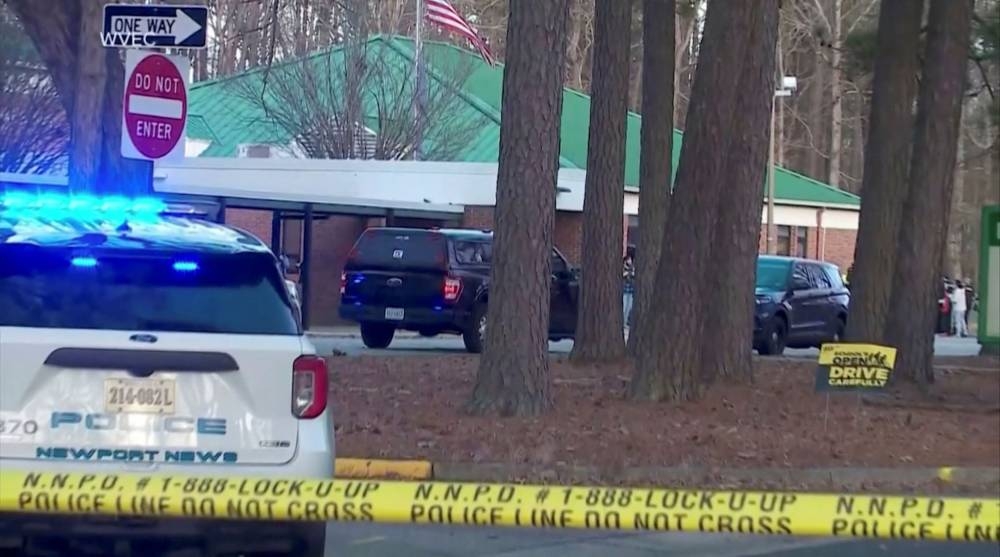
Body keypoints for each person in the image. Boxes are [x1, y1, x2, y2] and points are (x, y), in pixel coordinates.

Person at [622, 254, 635, 329]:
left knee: (629, 307)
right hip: (624, 291)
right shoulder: (623, 268)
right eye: (628, 259)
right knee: (624, 307)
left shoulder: (632, 269)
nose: (629, 261)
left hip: (630, 291)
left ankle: (625, 322)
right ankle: (623, 322)